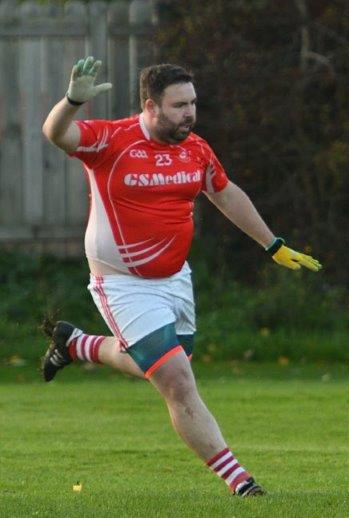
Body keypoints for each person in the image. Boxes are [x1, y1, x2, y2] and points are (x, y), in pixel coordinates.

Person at [40, 56, 322, 497]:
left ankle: (78, 344)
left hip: (175, 280)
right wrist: (73, 100)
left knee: (163, 367)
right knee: (176, 381)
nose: (189, 113)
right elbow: (56, 133)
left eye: (192, 103)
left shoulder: (197, 148)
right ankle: (240, 481)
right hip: (122, 283)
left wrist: (273, 244)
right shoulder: (110, 140)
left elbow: (225, 194)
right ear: (150, 107)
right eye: (178, 105)